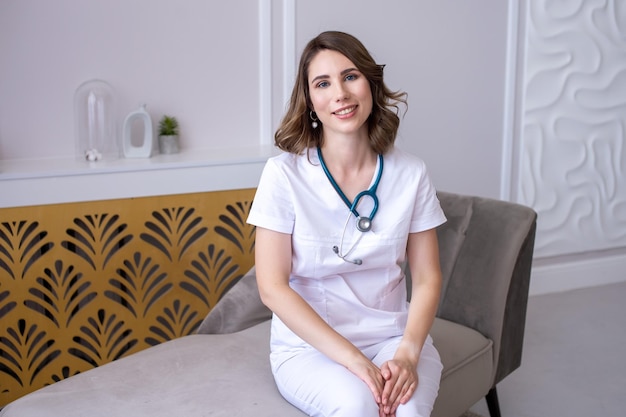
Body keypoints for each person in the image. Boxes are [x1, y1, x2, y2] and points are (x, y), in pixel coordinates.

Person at [247, 31, 446, 417]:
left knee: (407, 409)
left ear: (371, 85)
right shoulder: (283, 175)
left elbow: (427, 278)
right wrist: (354, 361)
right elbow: (271, 287)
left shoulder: (412, 173)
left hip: (391, 338)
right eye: (323, 83)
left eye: (350, 76)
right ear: (310, 103)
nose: (340, 93)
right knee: (357, 405)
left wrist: (406, 354)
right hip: (311, 348)